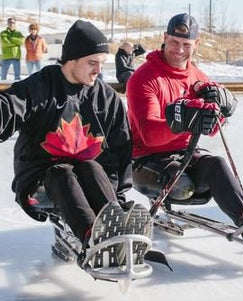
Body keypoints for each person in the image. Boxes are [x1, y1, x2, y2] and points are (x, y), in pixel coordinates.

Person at [126, 13, 243, 258]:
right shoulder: (143, 79)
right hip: (148, 161)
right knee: (183, 185)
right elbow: (150, 136)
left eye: (186, 45)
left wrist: (221, 111)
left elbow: (211, 128)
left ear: (196, 44)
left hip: (186, 155)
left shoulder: (198, 77)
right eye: (174, 42)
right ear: (165, 38)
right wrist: (186, 121)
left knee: (216, 164)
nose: (179, 50)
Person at [0, 20, 150, 269]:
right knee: (63, 171)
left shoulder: (106, 98)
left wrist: (118, 194)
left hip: (89, 175)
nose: (98, 71)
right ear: (70, 60)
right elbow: (10, 105)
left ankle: (118, 229)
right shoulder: (42, 86)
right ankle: (93, 237)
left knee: (90, 166)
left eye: (101, 64)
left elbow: (120, 148)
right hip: (39, 179)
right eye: (92, 63)